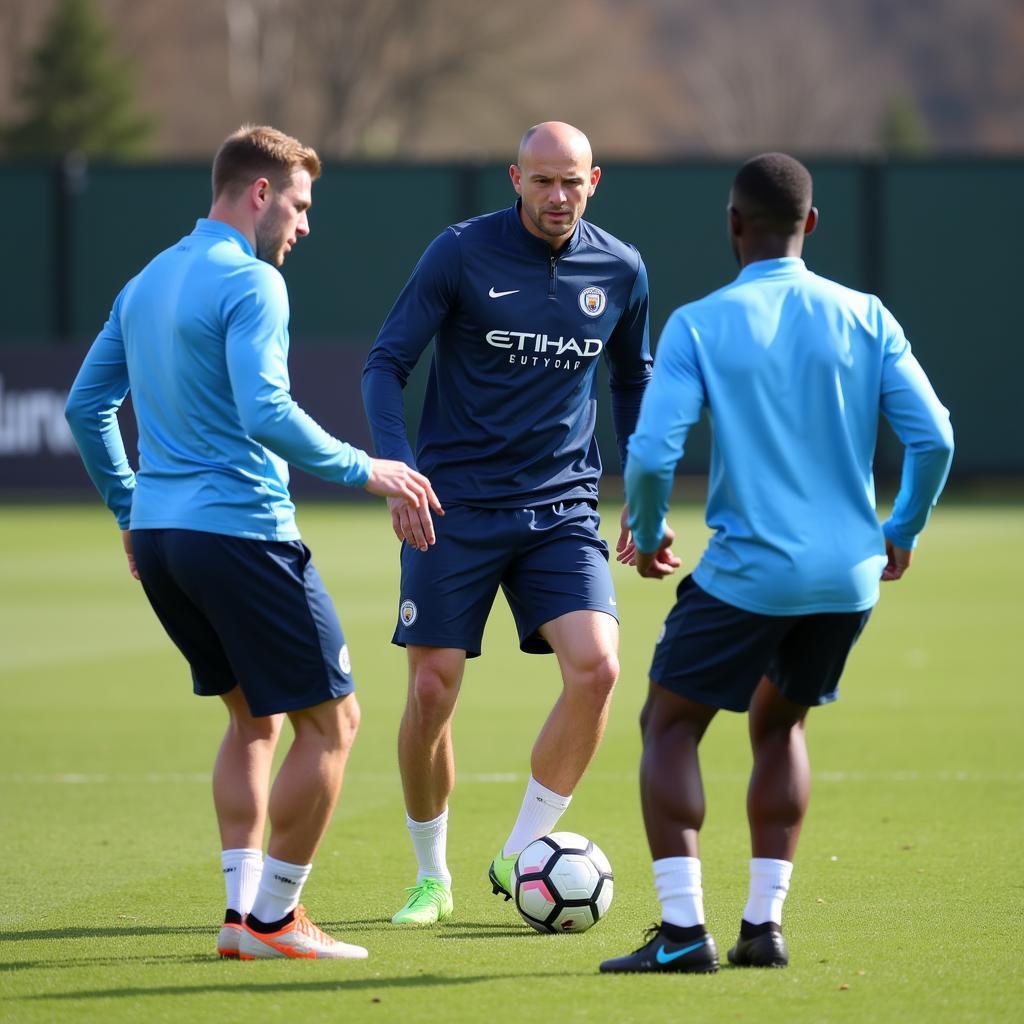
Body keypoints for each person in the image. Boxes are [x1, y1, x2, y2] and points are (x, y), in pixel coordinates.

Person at [64, 124, 440, 961]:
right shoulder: (253, 283)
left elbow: (84, 410)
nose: (304, 226)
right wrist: (364, 467)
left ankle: (243, 915)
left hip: (164, 541)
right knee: (334, 723)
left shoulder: (148, 279)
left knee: (254, 721)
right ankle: (274, 919)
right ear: (260, 194)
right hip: (240, 534)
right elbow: (264, 411)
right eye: (299, 205)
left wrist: (130, 511)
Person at [599, 152, 954, 974]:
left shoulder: (699, 322)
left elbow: (653, 455)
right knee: (779, 722)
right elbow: (935, 435)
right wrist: (901, 528)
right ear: (813, 226)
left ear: (732, 225)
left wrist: (648, 533)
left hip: (751, 573)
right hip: (848, 577)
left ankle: (684, 933)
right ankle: (763, 929)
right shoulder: (867, 314)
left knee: (670, 725)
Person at [361, 121, 652, 925]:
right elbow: (386, 363)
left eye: (572, 182)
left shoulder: (621, 268)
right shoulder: (458, 252)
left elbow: (633, 381)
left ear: (596, 181)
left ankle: (520, 853)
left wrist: (646, 490)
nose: (558, 197)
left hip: (562, 506)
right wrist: (398, 470)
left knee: (597, 669)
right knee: (430, 689)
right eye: (542, 181)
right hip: (452, 505)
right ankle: (432, 877)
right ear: (515, 179)